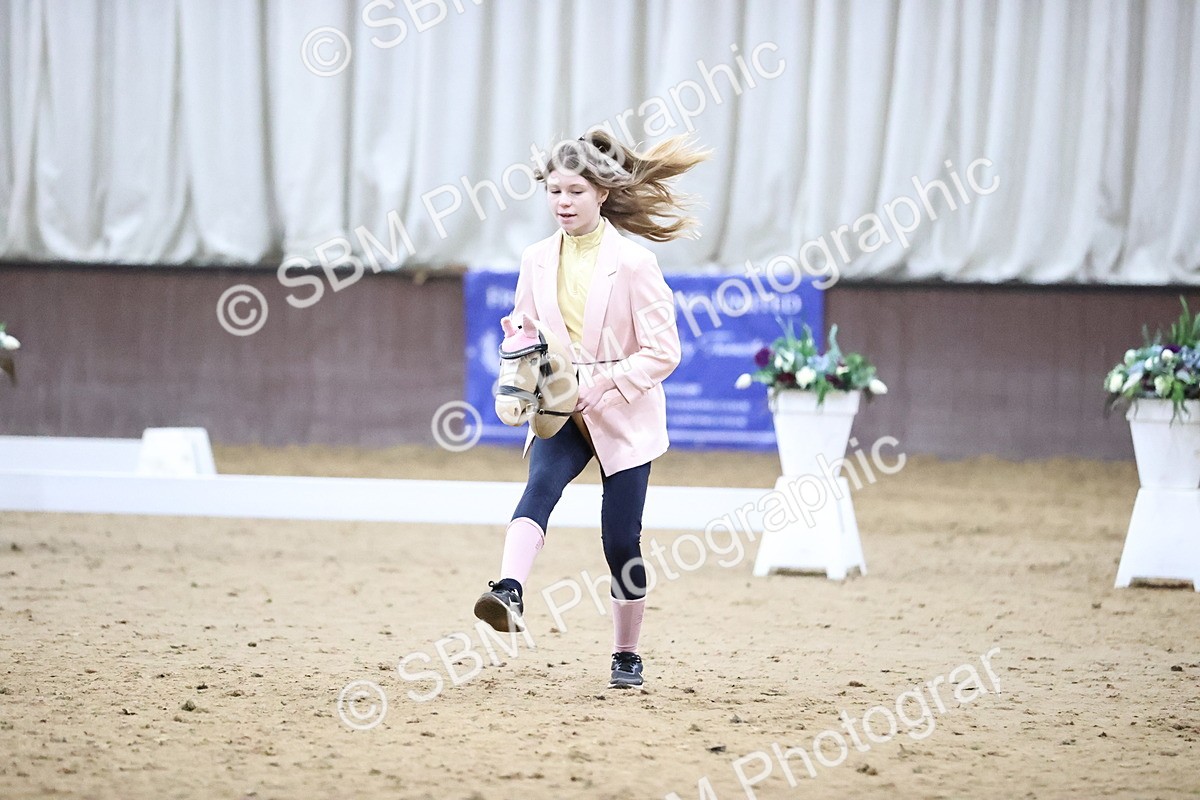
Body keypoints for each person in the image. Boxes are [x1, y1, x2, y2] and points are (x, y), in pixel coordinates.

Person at [473, 129, 709, 689]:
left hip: (623, 415)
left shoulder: (633, 263)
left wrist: (599, 385)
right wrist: (515, 368)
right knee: (539, 489)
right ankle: (508, 590)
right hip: (558, 410)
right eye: (554, 191)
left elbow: (663, 352)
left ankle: (626, 653)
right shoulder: (534, 259)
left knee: (620, 541)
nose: (563, 202)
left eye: (575, 191)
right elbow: (525, 330)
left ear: (601, 193)